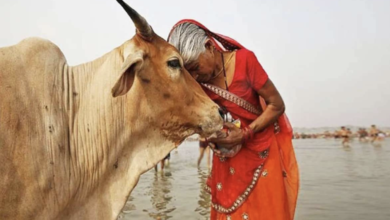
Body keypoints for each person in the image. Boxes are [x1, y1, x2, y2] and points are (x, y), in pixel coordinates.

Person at [168, 20, 299, 220]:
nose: (194, 77)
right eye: (189, 73)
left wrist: (245, 134)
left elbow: (277, 105)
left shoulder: (245, 61)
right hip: (227, 156)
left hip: (262, 150)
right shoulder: (199, 84)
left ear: (209, 47)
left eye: (195, 67)